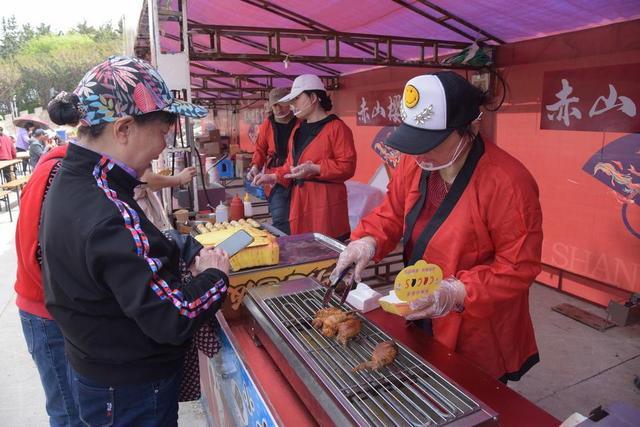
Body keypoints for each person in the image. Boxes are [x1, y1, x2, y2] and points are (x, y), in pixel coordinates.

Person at [41, 55, 230, 426]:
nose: (163, 146)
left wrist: (181, 248)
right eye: (162, 132)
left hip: (99, 370)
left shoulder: (75, 179)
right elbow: (174, 317)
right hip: (129, 390)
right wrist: (214, 276)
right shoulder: (107, 207)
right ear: (124, 128)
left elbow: (130, 255)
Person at [331, 72, 543, 383]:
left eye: (433, 142)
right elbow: (391, 213)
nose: (420, 153)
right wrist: (367, 241)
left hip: (476, 321)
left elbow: (518, 265)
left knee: (471, 398)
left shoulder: (508, 182)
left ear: (472, 126)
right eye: (415, 142)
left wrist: (457, 291)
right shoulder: (413, 162)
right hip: (419, 304)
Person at [14, 143, 82, 427]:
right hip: (46, 311)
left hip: (51, 307)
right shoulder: (60, 173)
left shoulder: (60, 167)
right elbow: (41, 253)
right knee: (68, 413)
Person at [254, 74, 357, 240]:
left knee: (328, 252)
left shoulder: (337, 128)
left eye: (297, 99)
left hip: (326, 204)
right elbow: (291, 164)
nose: (293, 105)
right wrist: (272, 176)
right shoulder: (298, 130)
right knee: (303, 248)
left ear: (313, 97)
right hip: (300, 202)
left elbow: (347, 167)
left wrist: (315, 168)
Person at [246, 87, 297, 234]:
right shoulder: (267, 124)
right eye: (275, 105)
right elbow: (260, 149)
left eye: (282, 103)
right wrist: (255, 166)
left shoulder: (300, 122)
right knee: (280, 217)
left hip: (297, 174)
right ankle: (284, 248)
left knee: (297, 216)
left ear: (290, 103)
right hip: (274, 177)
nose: (278, 108)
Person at [135, 165, 197, 231]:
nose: (157, 157)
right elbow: (146, 180)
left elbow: (151, 186)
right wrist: (179, 179)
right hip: (139, 209)